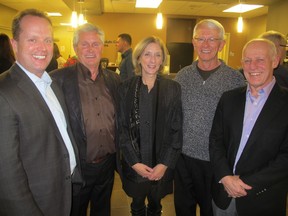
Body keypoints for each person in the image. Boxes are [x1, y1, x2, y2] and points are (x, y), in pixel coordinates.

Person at [0, 9, 82, 216]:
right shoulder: (4, 92)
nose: (42, 48)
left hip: (63, 192)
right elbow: (7, 177)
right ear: (14, 44)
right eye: (32, 40)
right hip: (37, 203)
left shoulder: (51, 83)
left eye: (47, 40)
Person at [174, 19, 246, 216]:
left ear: (221, 44)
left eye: (212, 39)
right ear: (193, 42)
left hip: (215, 162)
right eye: (200, 39)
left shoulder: (235, 80)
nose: (205, 45)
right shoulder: (182, 76)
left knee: (210, 211)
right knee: (183, 209)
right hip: (184, 159)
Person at [209, 38, 288, 216]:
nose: (253, 66)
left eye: (260, 59)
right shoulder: (229, 98)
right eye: (247, 60)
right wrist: (225, 177)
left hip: (263, 198)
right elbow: (216, 140)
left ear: (274, 61)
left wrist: (243, 182)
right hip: (223, 194)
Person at [51, 23, 120, 216]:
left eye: (96, 44)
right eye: (84, 44)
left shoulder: (114, 80)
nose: (91, 49)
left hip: (107, 165)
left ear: (102, 47)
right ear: (75, 48)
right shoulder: (58, 81)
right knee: (75, 210)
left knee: (102, 210)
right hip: (78, 168)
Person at [118, 36, 183, 216]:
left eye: (157, 55)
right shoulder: (125, 88)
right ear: (139, 58)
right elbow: (121, 129)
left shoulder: (173, 88)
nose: (152, 60)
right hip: (136, 164)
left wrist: (164, 164)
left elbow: (176, 130)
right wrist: (134, 163)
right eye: (147, 54)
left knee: (156, 205)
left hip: (161, 163)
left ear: (162, 59)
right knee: (137, 204)